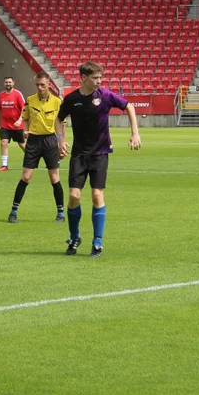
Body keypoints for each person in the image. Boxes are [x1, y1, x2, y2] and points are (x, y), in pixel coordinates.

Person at [55, 62, 141, 257]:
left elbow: (130, 107)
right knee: (74, 196)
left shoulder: (105, 96)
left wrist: (135, 133)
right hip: (79, 154)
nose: (99, 81)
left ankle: (97, 241)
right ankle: (75, 237)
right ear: (84, 78)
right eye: (95, 78)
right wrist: (61, 139)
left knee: (96, 195)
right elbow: (59, 119)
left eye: (100, 78)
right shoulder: (72, 99)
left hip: (100, 153)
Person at [8, 72, 65, 224]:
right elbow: (25, 118)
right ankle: (13, 211)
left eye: (42, 85)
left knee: (54, 178)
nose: (39, 88)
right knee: (26, 177)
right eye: (37, 85)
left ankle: (61, 213)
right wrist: (25, 130)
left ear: (49, 85)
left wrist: (61, 143)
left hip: (50, 140)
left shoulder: (57, 102)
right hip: (33, 141)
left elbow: (61, 125)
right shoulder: (30, 100)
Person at [0, 76, 26, 171]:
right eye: (6, 82)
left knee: (22, 144)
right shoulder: (1, 95)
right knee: (3, 143)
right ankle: (4, 166)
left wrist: (20, 120)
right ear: (4, 83)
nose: (8, 84)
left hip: (17, 125)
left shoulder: (18, 94)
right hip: (5, 125)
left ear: (13, 83)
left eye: (10, 82)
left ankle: (32, 159)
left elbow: (24, 109)